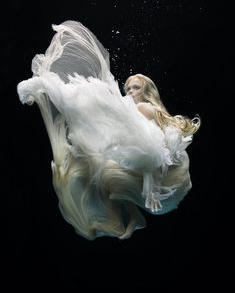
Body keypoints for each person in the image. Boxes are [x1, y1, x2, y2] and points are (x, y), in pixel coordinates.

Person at [17, 20, 200, 240]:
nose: (131, 91)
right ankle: (132, 218)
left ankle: (50, 87)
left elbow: (153, 149)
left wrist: (151, 183)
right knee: (100, 174)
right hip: (146, 175)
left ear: (147, 91)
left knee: (94, 113)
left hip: (159, 175)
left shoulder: (145, 108)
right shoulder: (134, 108)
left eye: (136, 87)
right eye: (129, 87)